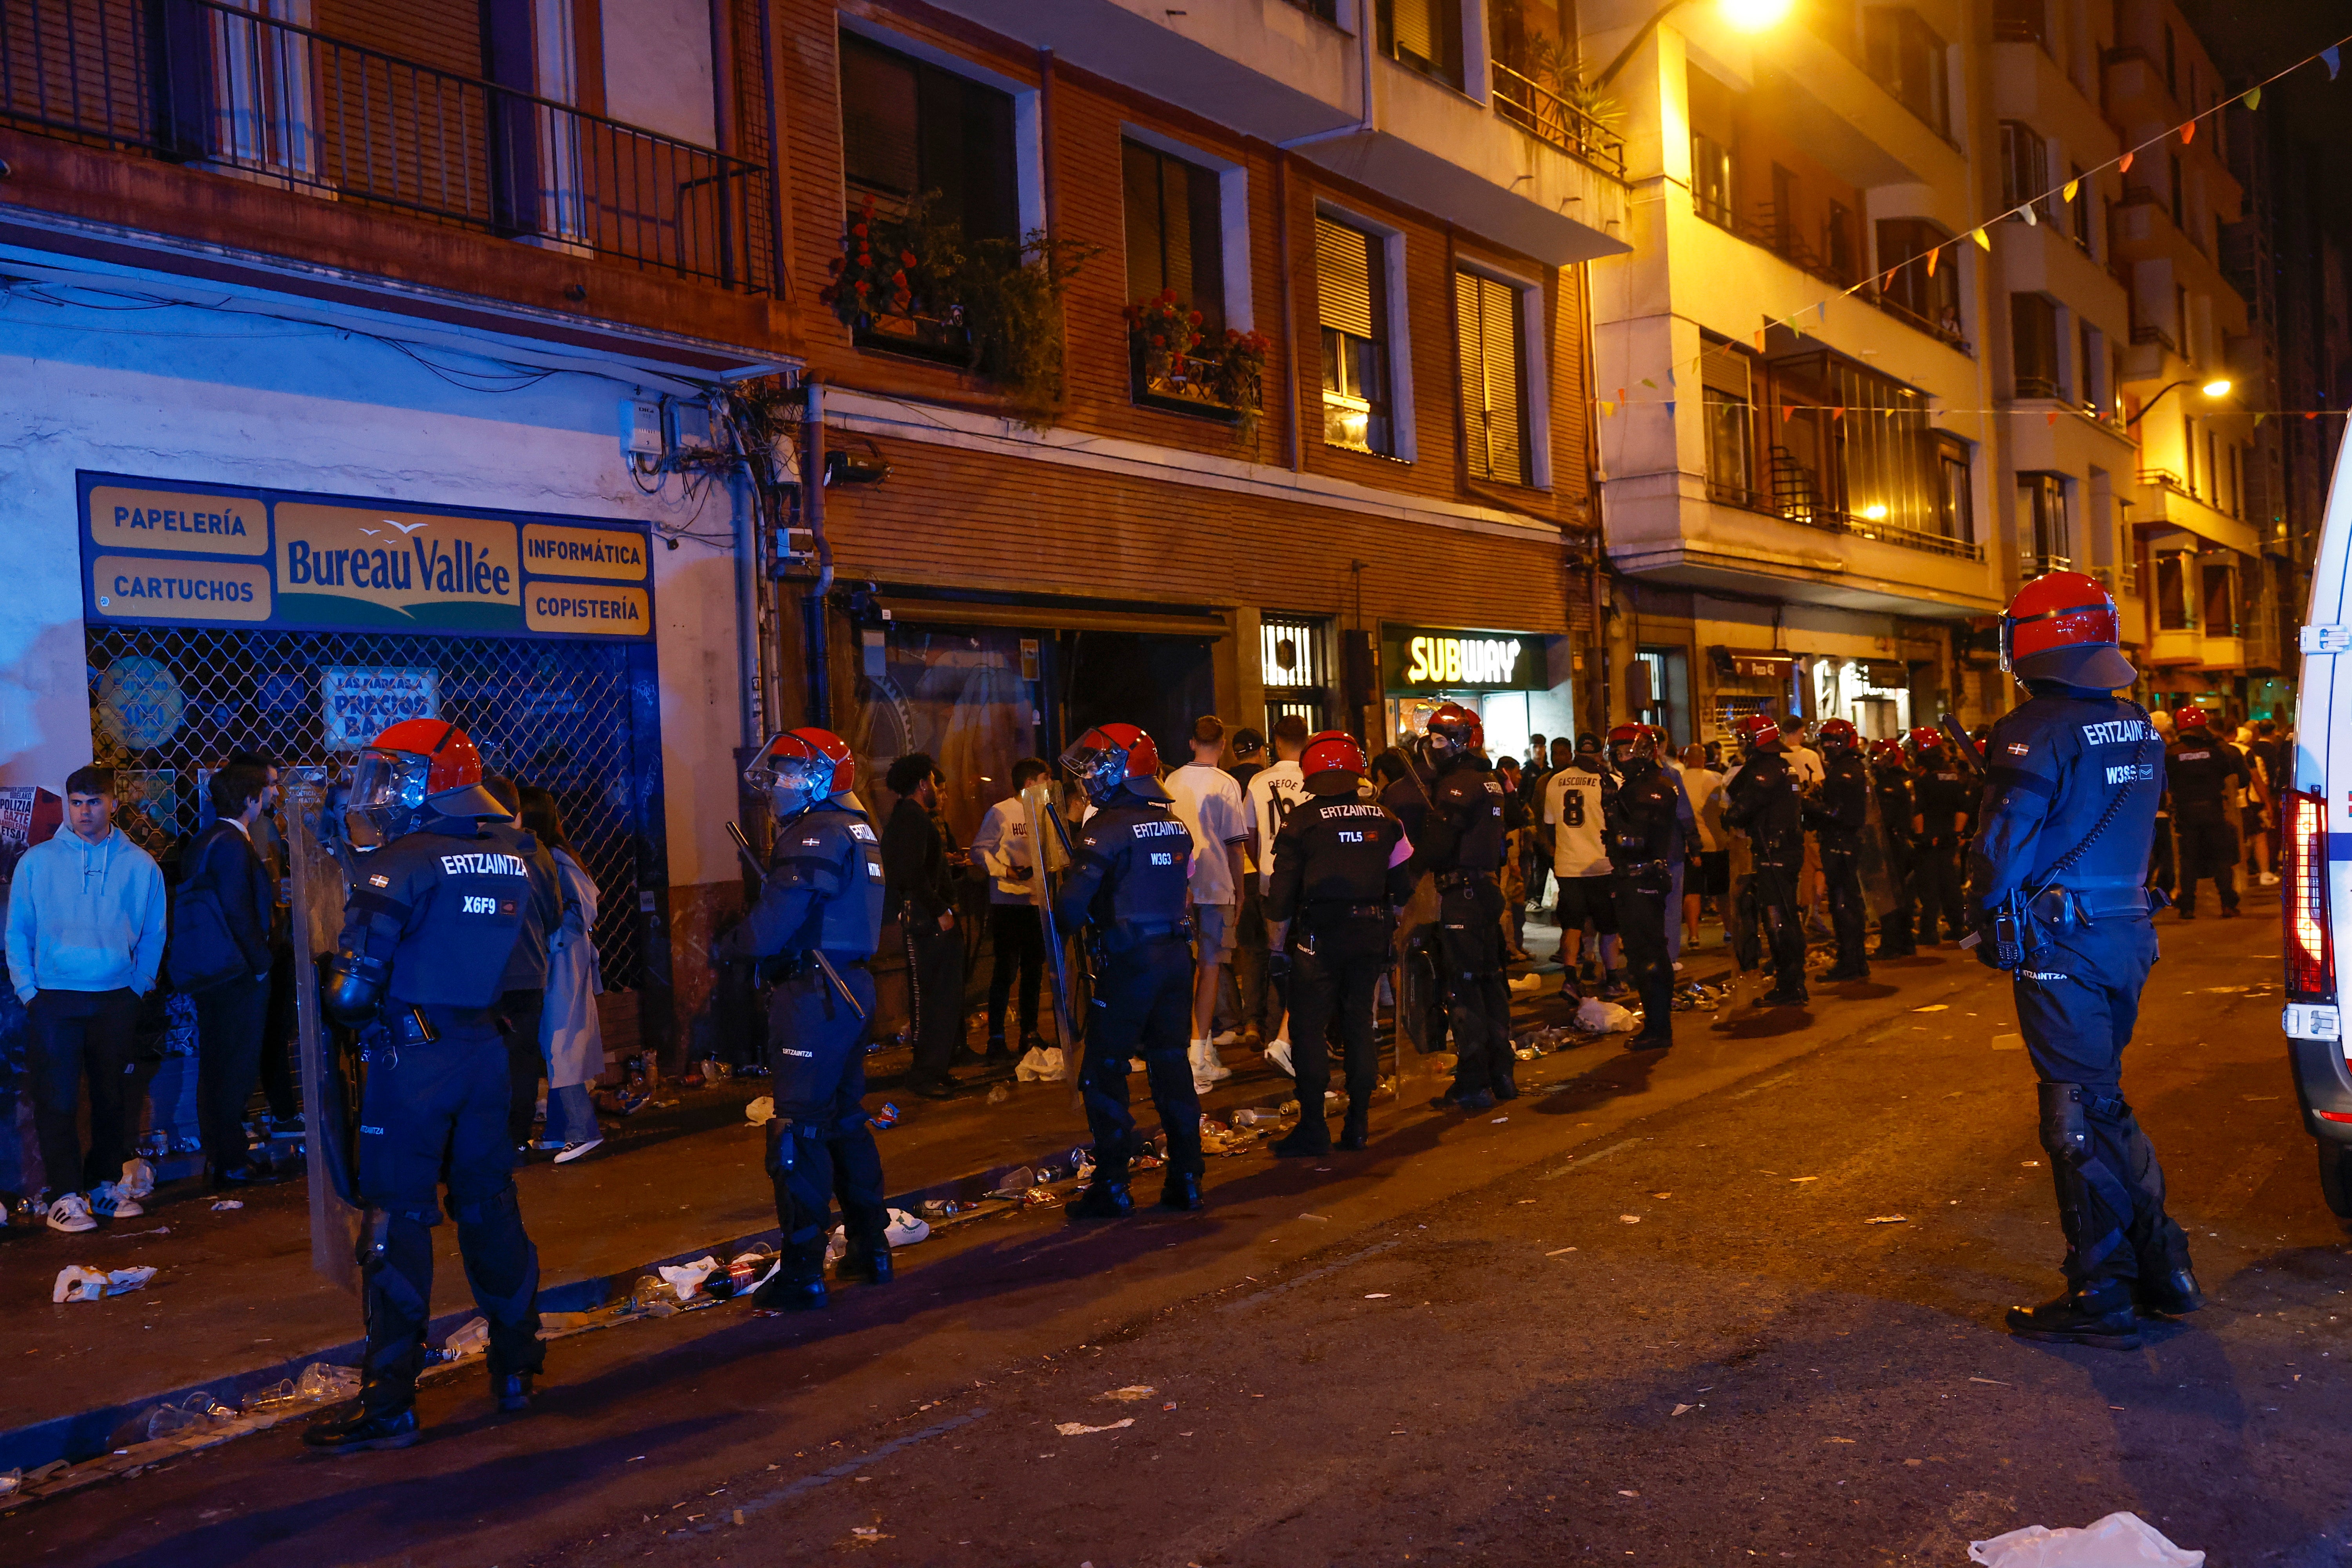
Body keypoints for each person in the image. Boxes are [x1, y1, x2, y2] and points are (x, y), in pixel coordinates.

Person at [305, 721, 560, 1451]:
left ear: (431, 782)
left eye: (393, 775)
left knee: (395, 1225)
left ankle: (389, 1404)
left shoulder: (400, 863)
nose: (380, 791)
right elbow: (537, 954)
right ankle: (516, 1368)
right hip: (491, 1054)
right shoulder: (524, 852)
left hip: (412, 1064)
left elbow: (352, 996)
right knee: (492, 1206)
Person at [1969, 572, 2198, 1348]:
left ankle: (2103, 1293)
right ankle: (2164, 1265)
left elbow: (2005, 839)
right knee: (2102, 1102)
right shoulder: (2138, 722)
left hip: (2061, 941)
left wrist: (1985, 916)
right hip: (2127, 934)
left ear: (2036, 638)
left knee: (2073, 1114)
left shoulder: (2033, 725)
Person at [711, 728, 893, 1313]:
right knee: (843, 1121)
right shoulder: (857, 828)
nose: (778, 786)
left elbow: (770, 930)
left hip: (817, 994)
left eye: (790, 774)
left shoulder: (814, 833)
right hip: (852, 988)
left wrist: (729, 946)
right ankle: (872, 1248)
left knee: (798, 1132)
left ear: (818, 780)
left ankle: (804, 1270)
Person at [5, 766, 167, 1232]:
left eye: (94, 802)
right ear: (68, 803)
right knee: (55, 1101)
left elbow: (155, 933)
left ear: (113, 803)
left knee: (111, 1098)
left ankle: (102, 1185)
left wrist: (138, 986)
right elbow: (17, 931)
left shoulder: (140, 865)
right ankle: (65, 1196)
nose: (85, 811)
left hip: (116, 996)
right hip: (54, 998)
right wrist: (29, 991)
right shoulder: (37, 862)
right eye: (77, 802)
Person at [1054, 724, 1206, 1217]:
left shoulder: (1107, 827)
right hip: (1175, 959)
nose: (1091, 775)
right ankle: (1186, 1177)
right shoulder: (1175, 824)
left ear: (1126, 768)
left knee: (1104, 1071)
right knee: (1170, 1064)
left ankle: (1113, 1183)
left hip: (1128, 963)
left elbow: (1071, 909)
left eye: (1099, 764)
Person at [1262, 731, 1414, 1154]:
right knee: (1359, 1025)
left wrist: (1276, 949)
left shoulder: (1302, 821)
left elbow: (1281, 893)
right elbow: (1403, 888)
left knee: (1310, 1030)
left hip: (1319, 937)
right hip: (1370, 934)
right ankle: (1359, 1125)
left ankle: (1314, 1127)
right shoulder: (1386, 818)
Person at [181, 763, 287, 1190]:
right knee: (234, 1065)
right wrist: (261, 964)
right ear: (250, 800)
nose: (269, 799)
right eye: (265, 793)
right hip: (235, 974)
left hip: (212, 970)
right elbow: (239, 910)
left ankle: (223, 1156)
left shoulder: (205, 841)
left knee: (218, 1063)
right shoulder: (232, 845)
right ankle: (231, 1159)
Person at [1412, 703, 1515, 1111]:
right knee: (1491, 983)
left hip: (1464, 895)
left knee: (1465, 987)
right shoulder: (1490, 780)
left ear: (1461, 740)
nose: (1434, 747)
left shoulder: (1458, 784)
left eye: (1441, 739)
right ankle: (1502, 1073)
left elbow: (1439, 844)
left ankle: (1473, 1081)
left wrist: (1410, 869)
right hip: (1486, 892)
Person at [1165, 716, 1249, 1091]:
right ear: (1224, 743)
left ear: (1191, 743)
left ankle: (1200, 1046)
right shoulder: (1226, 784)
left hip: (1176, 886)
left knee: (1185, 969)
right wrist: (1239, 889)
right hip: (1216, 885)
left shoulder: (1171, 781)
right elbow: (1235, 844)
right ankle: (1197, 1054)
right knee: (1211, 967)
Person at [520, 787, 603, 1164]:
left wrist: (551, 942)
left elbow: (583, 908)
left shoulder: (553, 858)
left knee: (562, 1041)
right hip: (560, 958)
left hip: (564, 961)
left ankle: (582, 1131)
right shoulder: (549, 855)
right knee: (555, 1040)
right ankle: (558, 1130)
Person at [482, 775, 563, 1153]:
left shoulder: (470, 850)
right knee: (523, 1057)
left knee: (482, 1056)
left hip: (484, 975)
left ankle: (484, 1139)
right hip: (529, 970)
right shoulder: (537, 852)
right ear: (517, 812)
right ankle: (517, 1137)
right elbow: (553, 914)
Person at [883, 752, 964, 1098]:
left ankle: (938, 1067)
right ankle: (925, 1074)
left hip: (933, 918)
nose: (937, 789)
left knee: (945, 996)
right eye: (933, 782)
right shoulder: (910, 819)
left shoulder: (917, 818)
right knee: (929, 998)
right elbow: (910, 873)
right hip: (925, 922)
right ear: (922, 784)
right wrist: (939, 909)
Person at [1603, 725, 1681, 1051]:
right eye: (1618, 753)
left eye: (1626, 752)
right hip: (1635, 878)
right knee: (1643, 954)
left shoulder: (1652, 787)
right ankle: (1657, 1023)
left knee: (1648, 954)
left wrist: (1615, 826)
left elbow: (1636, 839)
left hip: (1642, 877)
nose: (1621, 760)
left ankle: (1659, 1027)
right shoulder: (1637, 786)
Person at [1244, 716, 1314, 1073]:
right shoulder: (1311, 777)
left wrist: (1261, 864)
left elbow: (1251, 833)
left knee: (1276, 957)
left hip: (1271, 878)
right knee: (1309, 956)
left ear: (1275, 741)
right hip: (1305, 876)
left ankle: (1275, 1032)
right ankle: (1298, 1036)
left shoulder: (1259, 781)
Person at [968, 758, 1049, 1066]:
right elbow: (979, 850)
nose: (1049, 785)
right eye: (1045, 778)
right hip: (1008, 903)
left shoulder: (1045, 812)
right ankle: (996, 1038)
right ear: (1029, 783)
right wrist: (1006, 871)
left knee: (1033, 971)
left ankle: (1029, 1034)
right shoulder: (1002, 811)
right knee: (1005, 971)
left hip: (1037, 903)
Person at [1722, 713, 1807, 1006]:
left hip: (1776, 852)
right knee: (1783, 916)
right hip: (1780, 850)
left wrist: (1730, 817)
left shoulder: (1769, 770)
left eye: (1744, 737)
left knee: (1778, 919)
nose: (1739, 742)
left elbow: (1741, 806)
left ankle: (1790, 984)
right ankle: (1791, 979)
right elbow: (1736, 789)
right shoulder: (1777, 766)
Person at [1544, 737, 1615, 992]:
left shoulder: (1555, 781)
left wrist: (1560, 851)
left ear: (1575, 753)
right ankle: (1613, 978)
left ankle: (1571, 976)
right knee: (1608, 924)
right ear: (1600, 754)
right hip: (1601, 864)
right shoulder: (1608, 781)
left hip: (1568, 865)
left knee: (1572, 924)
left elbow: (1550, 827)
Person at [1804, 719, 1871, 982]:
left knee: (1844, 904)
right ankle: (1854, 960)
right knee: (1846, 903)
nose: (1828, 746)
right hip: (1842, 841)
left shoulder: (1845, 770)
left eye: (1833, 741)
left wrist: (1809, 805)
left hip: (1841, 842)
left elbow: (1838, 812)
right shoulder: (1846, 767)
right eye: (1825, 741)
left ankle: (1850, 961)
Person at [2165, 708, 2246, 920]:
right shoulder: (2218, 749)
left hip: (2186, 813)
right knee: (2222, 858)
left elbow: (2163, 782)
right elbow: (2238, 777)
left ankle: (2188, 907)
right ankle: (2228, 904)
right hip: (2214, 810)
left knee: (2188, 860)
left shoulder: (2172, 752)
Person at [1908, 728, 1975, 944]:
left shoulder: (1922, 779)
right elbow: (1962, 808)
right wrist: (1956, 834)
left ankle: (1929, 932)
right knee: (1949, 884)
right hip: (1948, 837)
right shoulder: (1952, 775)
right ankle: (1958, 927)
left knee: (1929, 886)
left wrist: (1921, 837)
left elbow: (1918, 811)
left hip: (1929, 839)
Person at [1869, 738, 1920, 959]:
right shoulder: (1902, 780)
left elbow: (1884, 819)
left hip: (1891, 845)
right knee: (1901, 894)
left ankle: (1892, 943)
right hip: (1899, 843)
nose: (1873, 761)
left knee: (1889, 895)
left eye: (1877, 757)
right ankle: (1905, 941)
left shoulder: (1889, 784)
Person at [1678, 745, 1728, 950]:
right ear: (1705, 758)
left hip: (1689, 845)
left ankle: (1693, 936)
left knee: (1692, 891)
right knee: (1722, 891)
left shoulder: (1678, 779)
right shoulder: (1716, 778)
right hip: (1715, 842)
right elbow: (1725, 807)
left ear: (1686, 759)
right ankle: (1729, 930)